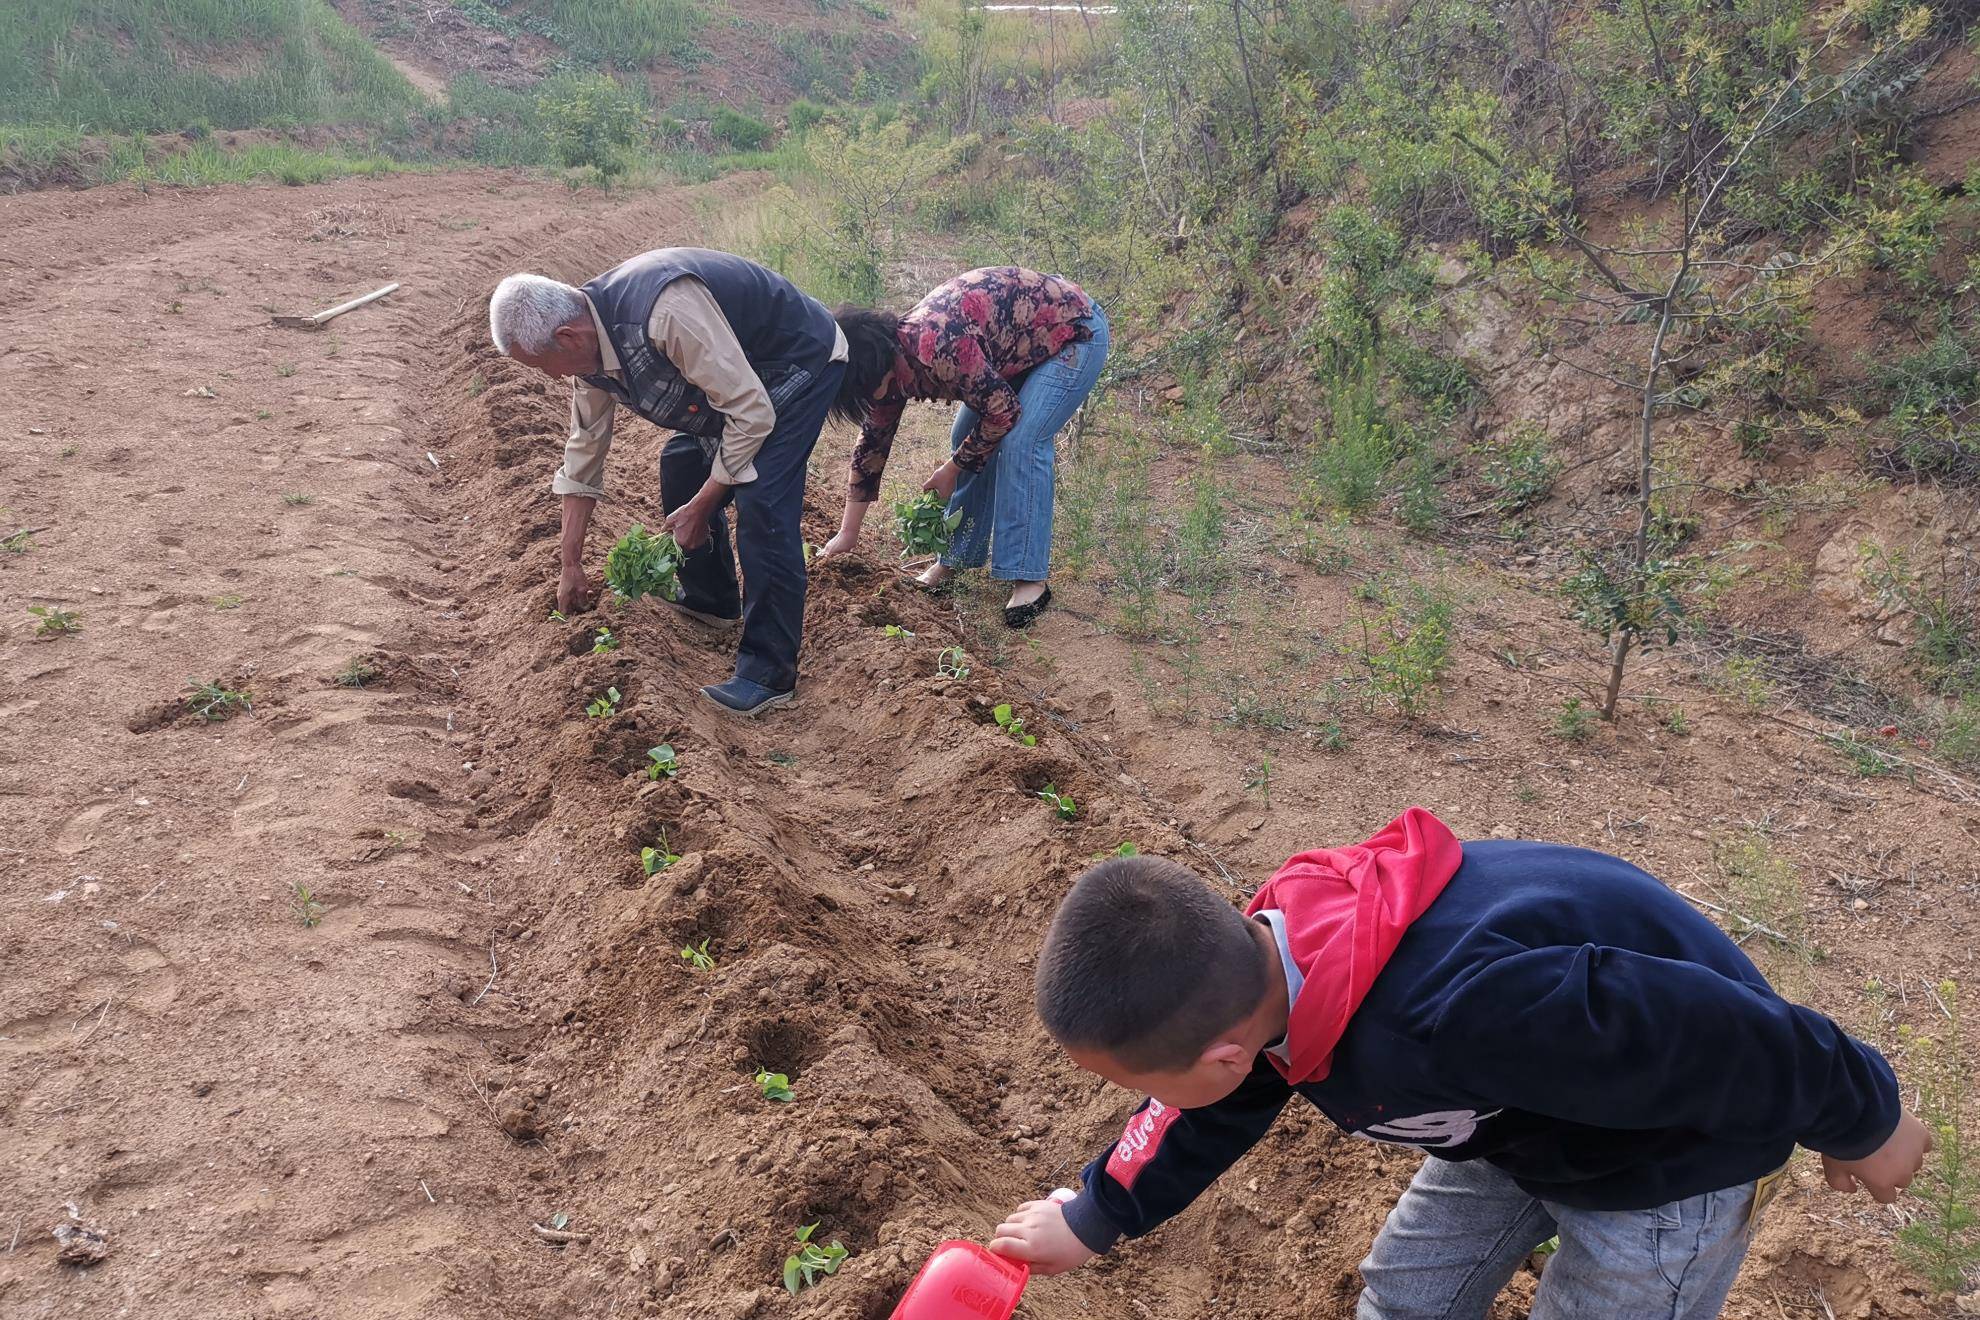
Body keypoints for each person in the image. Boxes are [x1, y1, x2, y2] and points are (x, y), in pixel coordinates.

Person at [989, 808, 1930, 1319]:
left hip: (1668, 1163)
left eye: (1147, 1086)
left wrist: (1864, 1118)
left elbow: (1720, 1032)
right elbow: (1210, 1108)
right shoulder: (1267, 967)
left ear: (1227, 1055)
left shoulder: (1464, 1014)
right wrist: (1099, 1210)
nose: (1155, 1103)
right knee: (1406, 1293)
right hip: (1519, 1124)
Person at [488, 248, 852, 717]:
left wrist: (703, 507)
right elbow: (584, 452)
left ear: (566, 335)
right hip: (740, 378)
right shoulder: (588, 351)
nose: (551, 377)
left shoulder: (663, 314)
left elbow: (751, 412)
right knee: (682, 462)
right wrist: (570, 562)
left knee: (762, 502)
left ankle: (768, 673)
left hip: (799, 362)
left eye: (543, 366)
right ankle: (713, 599)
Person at [816, 267, 1108, 628]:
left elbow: (1003, 415)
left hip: (1071, 330)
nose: (865, 404)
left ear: (871, 372)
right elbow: (872, 446)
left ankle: (1029, 578)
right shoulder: (891, 367)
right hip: (1016, 345)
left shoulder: (938, 346)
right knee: (966, 438)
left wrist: (952, 470)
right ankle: (956, 557)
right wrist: (848, 534)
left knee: (1021, 440)